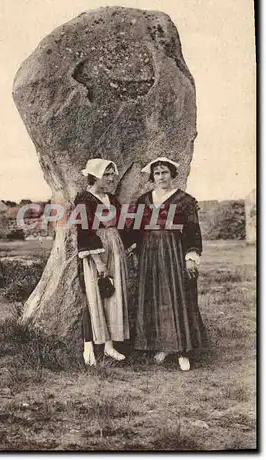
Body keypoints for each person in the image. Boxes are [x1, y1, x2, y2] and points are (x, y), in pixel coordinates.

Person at [131, 157, 207, 371]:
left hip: (174, 251)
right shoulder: (144, 200)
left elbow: (193, 231)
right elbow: (136, 230)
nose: (161, 177)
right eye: (157, 173)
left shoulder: (185, 200)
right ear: (152, 176)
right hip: (149, 252)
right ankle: (162, 346)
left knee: (177, 297)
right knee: (155, 297)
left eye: (165, 172)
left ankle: (183, 350)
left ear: (173, 174)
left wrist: (191, 258)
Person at [74, 158, 134, 366]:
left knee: (113, 296)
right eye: (106, 174)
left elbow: (121, 226)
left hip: (115, 248)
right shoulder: (83, 199)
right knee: (96, 296)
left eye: (112, 174)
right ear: (94, 176)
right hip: (96, 253)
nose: (111, 178)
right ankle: (89, 345)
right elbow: (84, 231)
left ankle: (109, 346)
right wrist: (99, 263)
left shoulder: (112, 199)